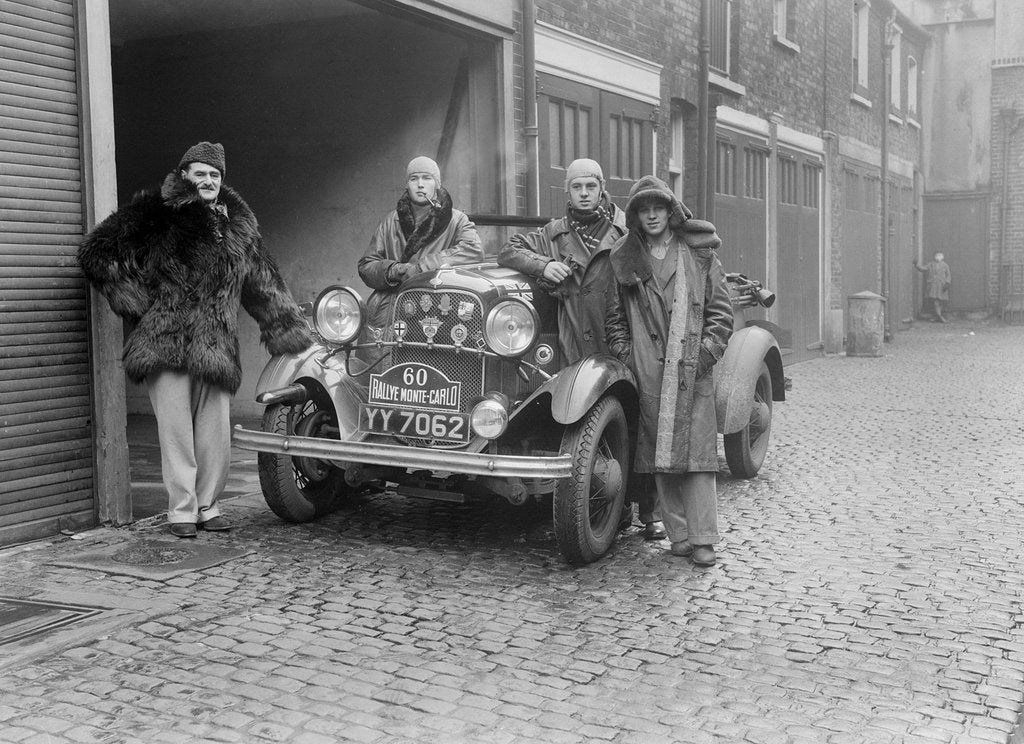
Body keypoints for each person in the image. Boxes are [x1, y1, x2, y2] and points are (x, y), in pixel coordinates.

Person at [78, 142, 312, 538]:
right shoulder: (156, 212)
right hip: (163, 344)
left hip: (215, 348)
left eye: (215, 175)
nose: (207, 180)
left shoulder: (238, 227)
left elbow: (263, 284)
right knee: (176, 435)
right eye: (200, 173)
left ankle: (209, 506)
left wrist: (289, 330)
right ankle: (182, 511)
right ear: (185, 174)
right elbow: (97, 254)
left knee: (214, 436)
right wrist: (141, 303)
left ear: (222, 181)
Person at [605, 175, 734, 567]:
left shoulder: (698, 253)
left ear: (671, 210)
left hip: (692, 367)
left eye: (658, 208)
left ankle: (703, 538)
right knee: (660, 455)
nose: (652, 216)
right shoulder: (624, 259)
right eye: (644, 210)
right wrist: (629, 356)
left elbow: (720, 313)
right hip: (647, 370)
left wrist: (706, 355)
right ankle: (678, 535)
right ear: (636, 217)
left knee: (697, 458)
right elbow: (614, 319)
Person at [358, 156, 482, 339]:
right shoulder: (390, 221)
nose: (420, 184)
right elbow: (366, 265)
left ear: (437, 184)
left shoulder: (456, 220)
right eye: (413, 178)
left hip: (439, 308)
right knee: (379, 363)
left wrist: (422, 268)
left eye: (427, 178)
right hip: (391, 309)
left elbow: (473, 251)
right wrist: (396, 270)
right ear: (407, 185)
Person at [914, 252, 952, 322]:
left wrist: (947, 283)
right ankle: (940, 317)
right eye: (937, 255)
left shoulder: (945, 265)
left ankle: (937, 316)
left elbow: (948, 275)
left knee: (940, 301)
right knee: (935, 301)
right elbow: (923, 268)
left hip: (942, 286)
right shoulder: (930, 264)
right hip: (933, 286)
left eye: (939, 256)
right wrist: (916, 265)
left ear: (942, 257)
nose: (938, 257)